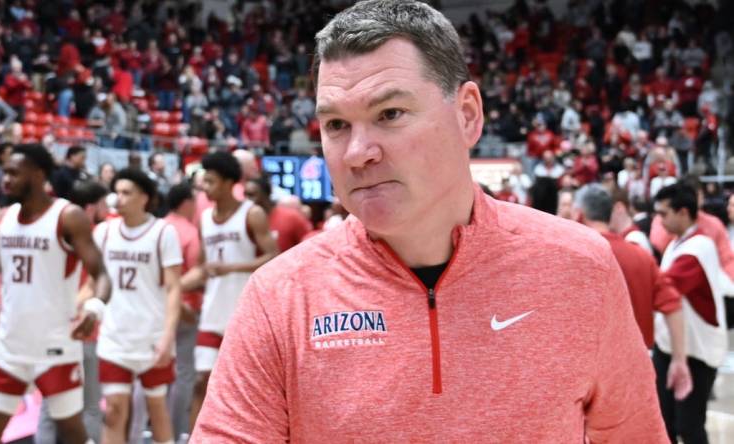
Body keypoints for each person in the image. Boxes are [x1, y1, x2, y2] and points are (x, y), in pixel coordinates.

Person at [191, 1, 667, 441]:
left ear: (467, 115)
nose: (357, 153)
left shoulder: (579, 268)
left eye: (390, 113)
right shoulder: (279, 297)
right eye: (336, 125)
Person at [0, 143, 112, 443]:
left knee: (71, 433)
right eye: (5, 172)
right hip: (9, 346)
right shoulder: (5, 218)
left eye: (13, 173)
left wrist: (96, 306)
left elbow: (101, 274)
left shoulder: (68, 216)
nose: (4, 180)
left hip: (55, 346)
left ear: (38, 175)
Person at [180, 152, 278, 432]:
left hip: (245, 314)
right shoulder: (205, 220)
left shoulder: (252, 213)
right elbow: (202, 268)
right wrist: (171, 287)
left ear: (227, 182)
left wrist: (232, 267)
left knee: (247, 390)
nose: (205, 188)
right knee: (202, 381)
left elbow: (273, 256)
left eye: (210, 182)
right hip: (212, 313)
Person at [572, 184, 691, 399]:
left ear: (579, 215)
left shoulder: (573, 257)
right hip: (638, 369)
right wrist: (679, 360)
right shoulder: (641, 256)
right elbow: (673, 305)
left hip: (590, 375)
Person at [90, 168, 182, 444]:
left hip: (151, 335)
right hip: (114, 336)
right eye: (116, 191)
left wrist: (167, 336)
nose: (119, 198)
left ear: (145, 197)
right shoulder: (103, 232)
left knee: (157, 410)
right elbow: (92, 280)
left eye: (126, 192)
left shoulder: (163, 232)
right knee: (115, 410)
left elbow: (174, 288)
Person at [652, 183, 734, 444]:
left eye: (664, 214)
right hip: (674, 346)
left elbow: (665, 287)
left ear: (683, 212)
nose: (660, 221)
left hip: (697, 353)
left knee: (689, 426)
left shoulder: (699, 248)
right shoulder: (678, 244)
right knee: (665, 421)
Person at [36, 179, 110, 444]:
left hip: (52, 329)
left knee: (50, 405)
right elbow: (93, 284)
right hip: (81, 330)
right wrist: (74, 308)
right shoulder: (88, 237)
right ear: (90, 207)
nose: (107, 208)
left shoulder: (49, 234)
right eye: (103, 203)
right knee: (89, 404)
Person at [163, 182, 202, 441]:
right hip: (186, 309)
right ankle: (177, 433)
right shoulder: (189, 233)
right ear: (187, 203)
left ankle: (155, 428)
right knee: (184, 374)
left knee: (156, 374)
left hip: (155, 311)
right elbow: (198, 273)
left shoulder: (156, 227)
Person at [244, 176, 311, 252]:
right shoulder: (245, 220)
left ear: (266, 193)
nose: (247, 200)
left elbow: (309, 247)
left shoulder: (292, 217)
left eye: (251, 195)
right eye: (245, 195)